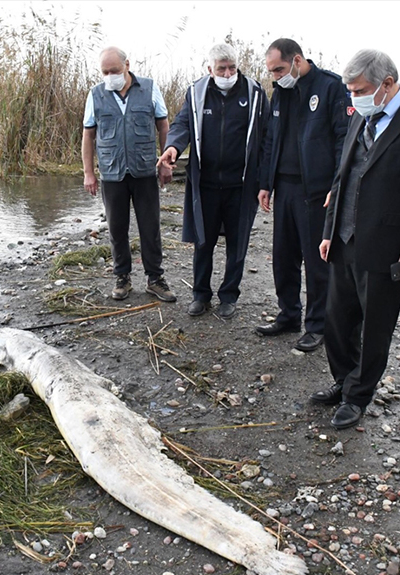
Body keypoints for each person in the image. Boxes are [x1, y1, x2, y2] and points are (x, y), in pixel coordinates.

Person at [311, 49, 400, 429]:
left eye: (359, 90)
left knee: (375, 326)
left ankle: (358, 396)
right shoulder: (363, 115)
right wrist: (329, 231)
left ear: (387, 85)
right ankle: (343, 381)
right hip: (344, 240)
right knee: (337, 322)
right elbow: (344, 177)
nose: (353, 98)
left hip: (387, 245)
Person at [157, 43, 269, 319]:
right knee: (203, 242)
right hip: (205, 184)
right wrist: (172, 148)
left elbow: (266, 138)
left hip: (241, 185)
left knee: (237, 243)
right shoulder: (196, 92)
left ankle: (229, 295)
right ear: (210, 69)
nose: (228, 73)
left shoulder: (254, 93)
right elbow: (183, 124)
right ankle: (200, 294)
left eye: (232, 67)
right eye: (222, 68)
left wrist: (265, 181)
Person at [255, 38, 349, 352]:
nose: (276, 76)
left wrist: (337, 187)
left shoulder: (330, 87)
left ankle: (318, 325)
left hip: (316, 192)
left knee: (317, 261)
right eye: (271, 71)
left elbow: (342, 141)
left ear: (297, 60)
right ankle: (288, 315)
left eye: (280, 69)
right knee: (284, 257)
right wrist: (265, 182)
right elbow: (270, 139)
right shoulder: (279, 93)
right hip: (285, 189)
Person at [82, 46, 176, 303]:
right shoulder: (96, 95)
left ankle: (155, 278)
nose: (109, 75)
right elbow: (88, 134)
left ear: (127, 65)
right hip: (112, 174)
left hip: (144, 170)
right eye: (105, 71)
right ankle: (122, 277)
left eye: (114, 70)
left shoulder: (149, 88)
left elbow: (163, 125)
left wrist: (165, 163)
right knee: (116, 228)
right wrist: (88, 172)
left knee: (150, 226)